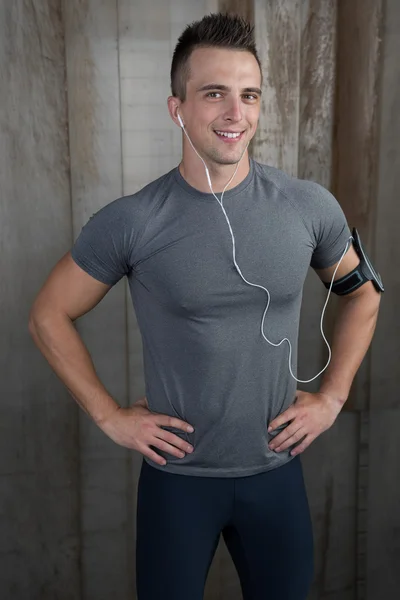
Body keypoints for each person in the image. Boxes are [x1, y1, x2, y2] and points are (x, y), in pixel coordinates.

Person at [29, 12, 381, 600]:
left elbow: (363, 293)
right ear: (178, 108)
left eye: (249, 95)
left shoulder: (306, 206)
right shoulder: (134, 220)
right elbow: (47, 314)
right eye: (214, 93)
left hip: (276, 475)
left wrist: (334, 397)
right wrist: (109, 416)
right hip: (178, 484)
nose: (235, 113)